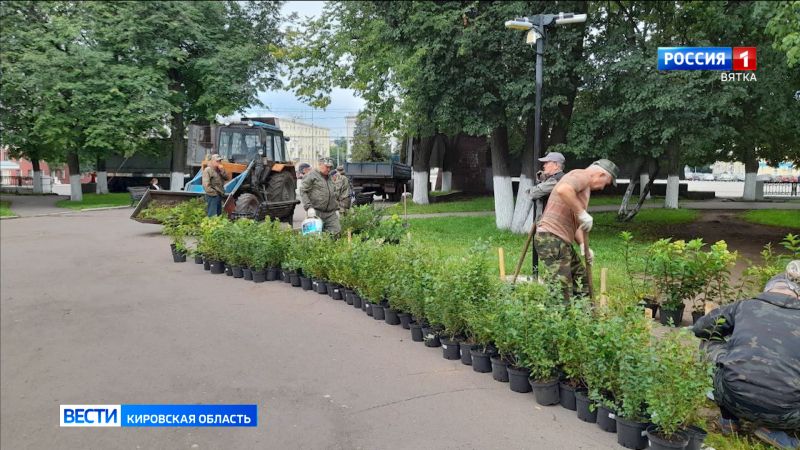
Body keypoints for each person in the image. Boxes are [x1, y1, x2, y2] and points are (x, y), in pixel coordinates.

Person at [693, 262, 800, 450]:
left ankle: (729, 420)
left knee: (709, 341)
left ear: (769, 289)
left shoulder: (745, 306)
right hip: (788, 414)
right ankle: (775, 431)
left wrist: (735, 337)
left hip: (733, 399)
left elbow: (701, 328)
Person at [533, 159, 618, 300]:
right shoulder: (582, 175)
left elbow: (577, 222)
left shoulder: (583, 188)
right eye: (606, 182)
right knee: (561, 291)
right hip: (551, 238)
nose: (603, 187)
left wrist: (583, 245)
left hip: (560, 240)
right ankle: (559, 319)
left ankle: (582, 318)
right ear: (601, 175)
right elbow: (563, 190)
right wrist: (582, 213)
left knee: (580, 279)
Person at [299, 157, 340, 234]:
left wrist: (336, 208)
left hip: (330, 213)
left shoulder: (330, 177)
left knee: (336, 232)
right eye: (327, 167)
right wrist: (309, 207)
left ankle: (329, 246)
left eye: (330, 167)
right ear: (320, 165)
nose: (329, 169)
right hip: (316, 212)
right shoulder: (311, 175)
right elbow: (303, 191)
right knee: (314, 236)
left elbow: (333, 193)